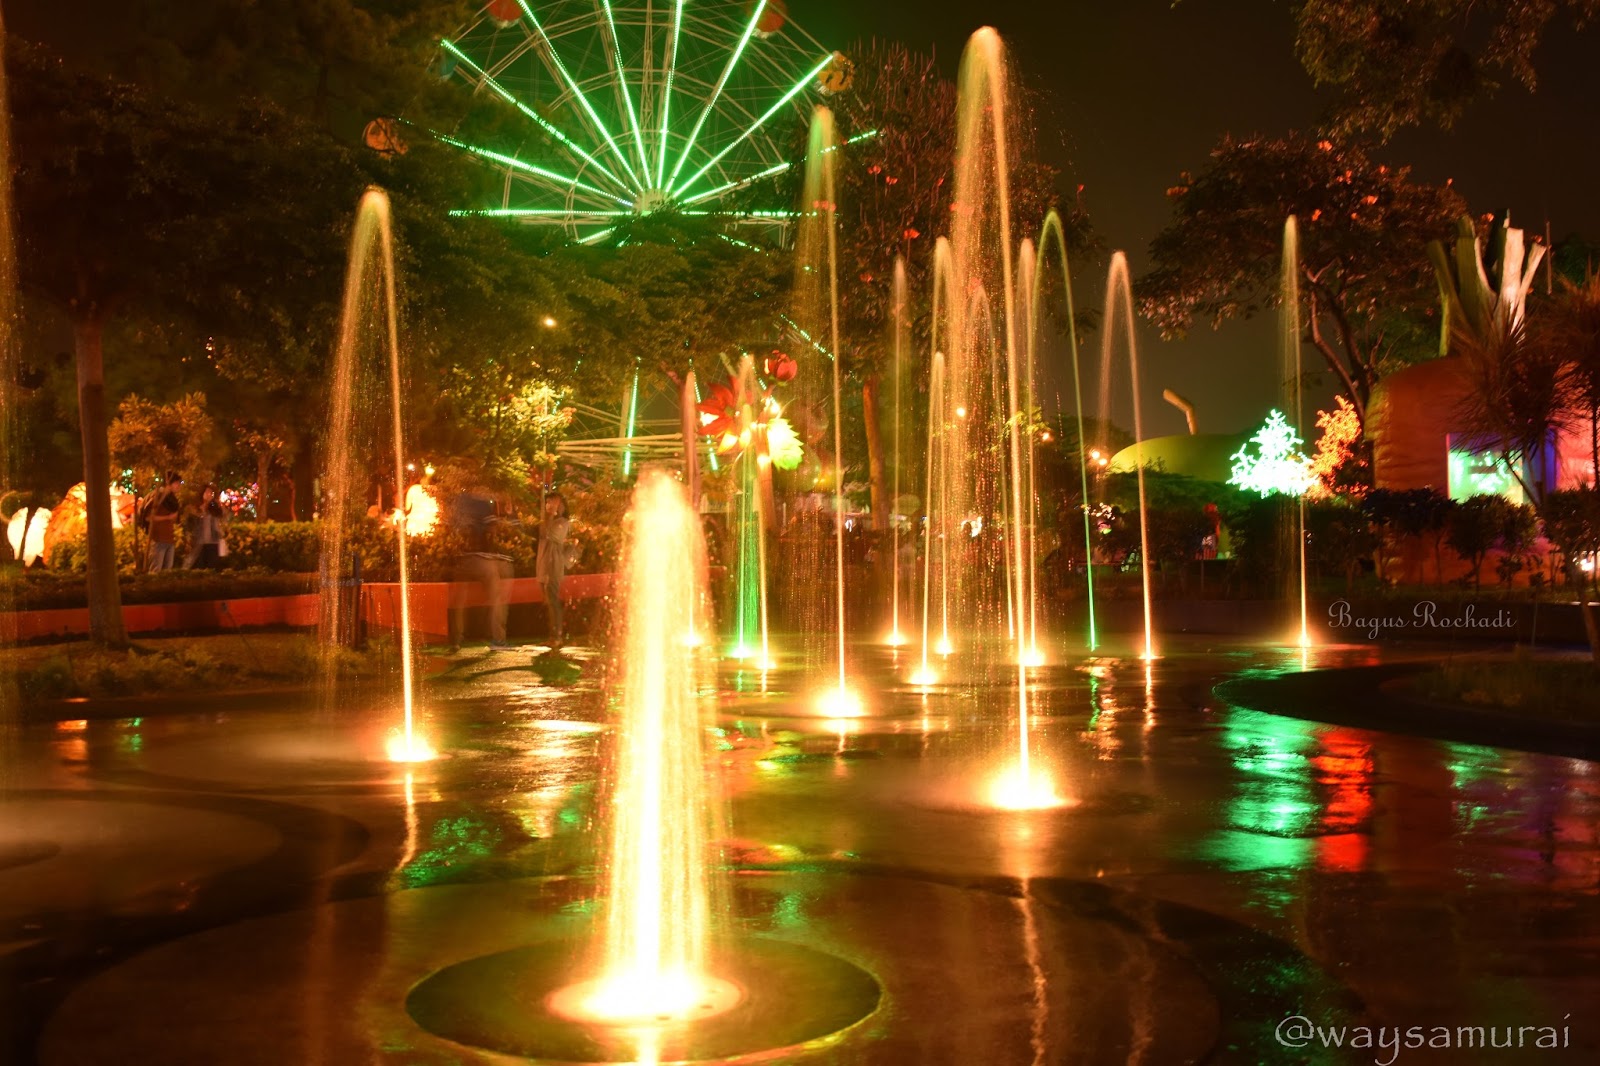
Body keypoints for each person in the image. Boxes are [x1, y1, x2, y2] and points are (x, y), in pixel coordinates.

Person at [447, 491, 514, 652]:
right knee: (497, 596)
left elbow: (451, 526)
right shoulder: (482, 502)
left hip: (461, 559)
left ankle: (456, 640)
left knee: (459, 600)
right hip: (481, 559)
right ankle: (498, 640)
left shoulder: (457, 500)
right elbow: (492, 529)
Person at [536, 492, 573, 648]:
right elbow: (542, 533)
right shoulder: (546, 521)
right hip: (543, 567)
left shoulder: (563, 522)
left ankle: (556, 636)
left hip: (553, 567)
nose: (549, 505)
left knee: (553, 601)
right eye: (548, 502)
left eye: (554, 503)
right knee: (548, 602)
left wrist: (550, 515)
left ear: (562, 506)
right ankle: (553, 635)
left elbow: (550, 535)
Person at [141, 472, 183, 572]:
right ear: (169, 484)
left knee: (167, 572)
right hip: (158, 539)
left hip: (169, 539)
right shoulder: (157, 497)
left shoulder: (172, 500)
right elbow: (148, 517)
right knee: (156, 571)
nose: (179, 486)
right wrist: (168, 517)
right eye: (177, 483)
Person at [183, 484, 228, 569]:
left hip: (213, 542)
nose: (209, 494)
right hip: (199, 543)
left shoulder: (214, 509)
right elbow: (189, 525)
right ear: (202, 493)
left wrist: (219, 504)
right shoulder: (194, 508)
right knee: (199, 567)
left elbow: (224, 516)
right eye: (207, 492)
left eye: (211, 492)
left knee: (212, 567)